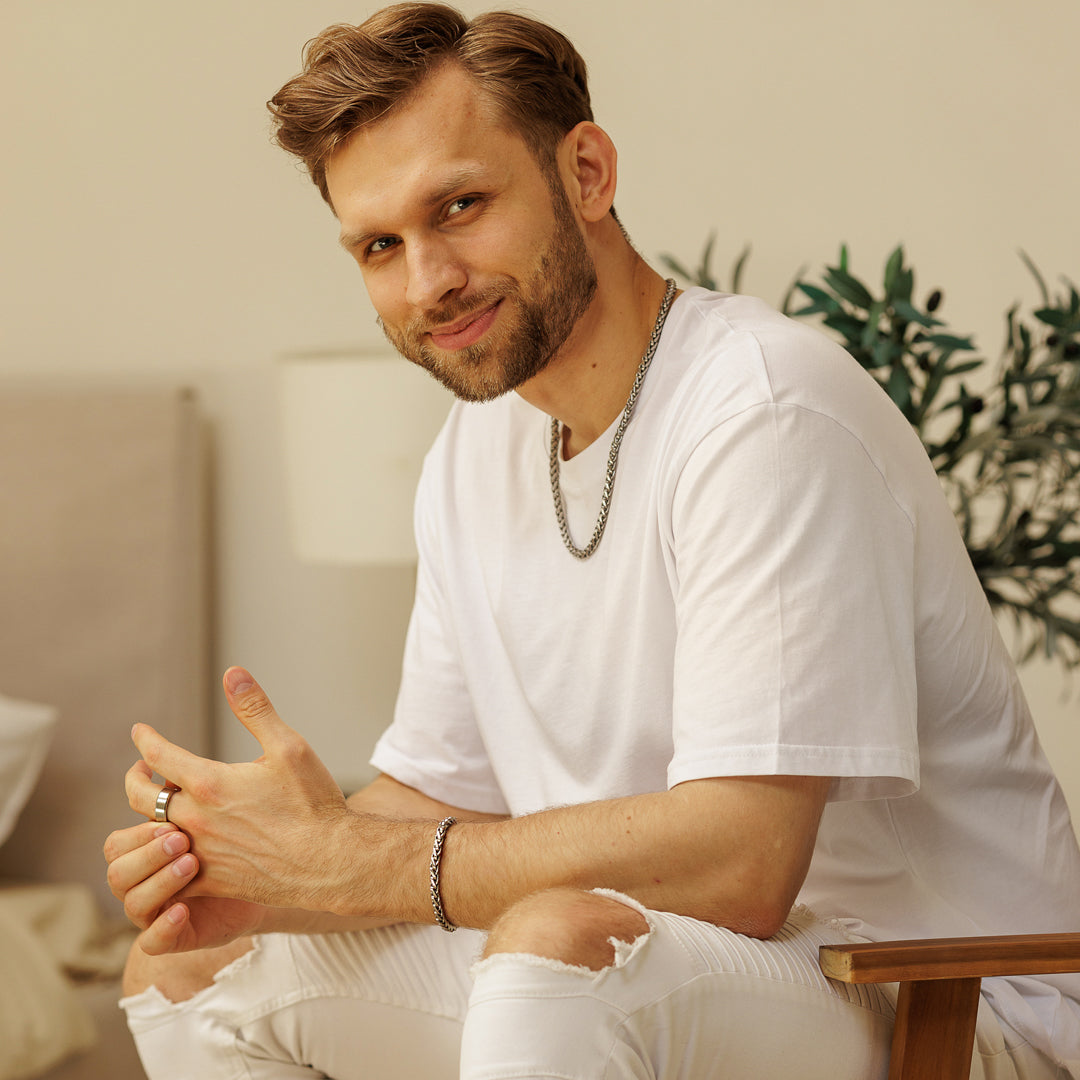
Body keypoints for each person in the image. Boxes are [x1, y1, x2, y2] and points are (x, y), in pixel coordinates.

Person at [104, 4, 1080, 1078]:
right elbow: (436, 800)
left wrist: (351, 867)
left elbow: (741, 865)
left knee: (560, 947)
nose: (428, 281)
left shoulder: (763, 413)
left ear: (588, 172)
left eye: (461, 206)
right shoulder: (472, 455)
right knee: (191, 974)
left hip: (950, 1008)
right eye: (381, 245)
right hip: (685, 988)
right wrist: (261, 859)